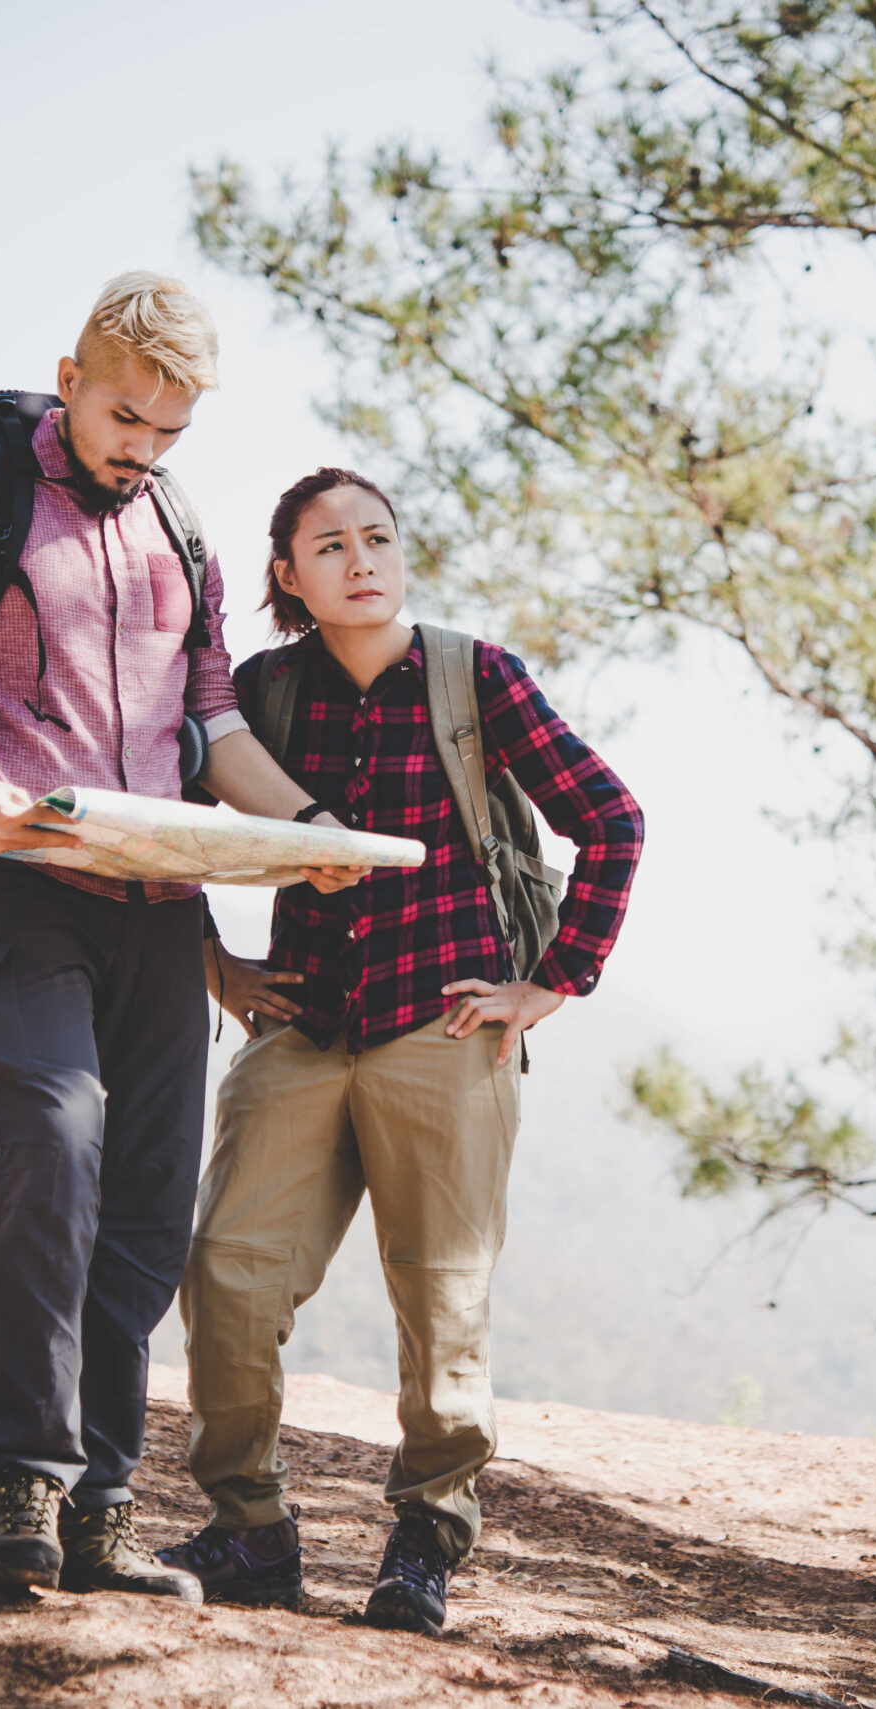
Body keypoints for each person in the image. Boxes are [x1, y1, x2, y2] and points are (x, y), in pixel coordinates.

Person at [0, 274, 366, 1595]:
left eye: (169, 431)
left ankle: (101, 1506)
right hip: (16, 886)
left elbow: (211, 729)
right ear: (72, 374)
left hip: (162, 911)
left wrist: (316, 829)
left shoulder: (181, 530)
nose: (141, 447)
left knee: (146, 1202)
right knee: (53, 1139)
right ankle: (15, 1491)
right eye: (123, 416)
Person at [158, 468, 645, 1635]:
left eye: (378, 537)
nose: (361, 560)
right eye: (330, 546)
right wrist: (213, 962)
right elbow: (159, 813)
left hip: (446, 1024)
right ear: (288, 575)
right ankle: (251, 1530)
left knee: (442, 1296)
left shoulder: (476, 676)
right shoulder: (261, 692)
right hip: (303, 1022)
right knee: (225, 1268)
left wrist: (552, 982)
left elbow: (611, 820)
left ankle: (424, 1539)